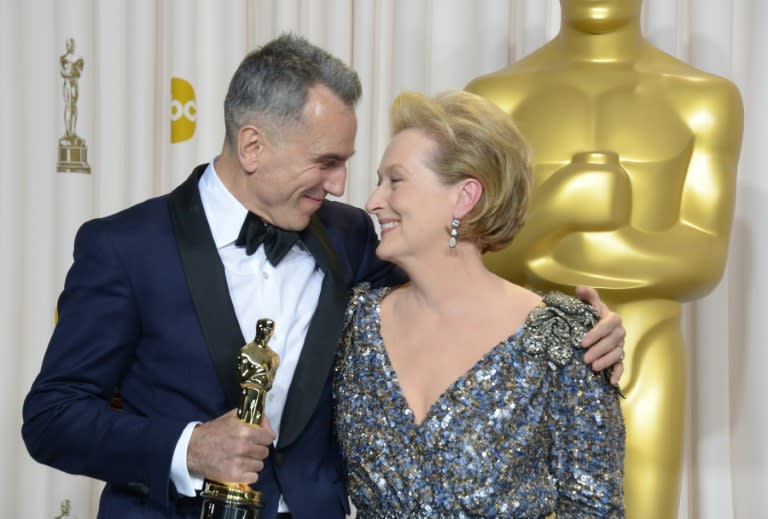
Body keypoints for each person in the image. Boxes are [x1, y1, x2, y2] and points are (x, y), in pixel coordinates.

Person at [23, 34, 625, 519]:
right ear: (252, 146)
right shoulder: (126, 247)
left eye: (354, 166)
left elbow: (459, 280)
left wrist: (581, 330)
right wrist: (188, 448)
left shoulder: (351, 238)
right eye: (326, 162)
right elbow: (52, 416)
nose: (345, 188)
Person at [464, 1, 743, 516]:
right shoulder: (494, 98)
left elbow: (704, 257)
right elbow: (470, 253)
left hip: (644, 353)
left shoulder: (704, 99)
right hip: (520, 355)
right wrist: (558, 207)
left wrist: (567, 251)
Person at [334, 90, 625, 517]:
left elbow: (594, 507)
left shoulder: (563, 335)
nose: (373, 202)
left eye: (395, 180)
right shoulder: (355, 321)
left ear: (465, 196)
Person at [60, 37, 84, 142]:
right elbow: (62, 72)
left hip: (74, 83)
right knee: (68, 106)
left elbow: (79, 73)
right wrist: (71, 71)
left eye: (71, 44)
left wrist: (71, 71)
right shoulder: (63, 59)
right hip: (68, 83)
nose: (70, 46)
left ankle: (73, 132)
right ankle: (67, 132)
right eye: (68, 44)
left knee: (73, 106)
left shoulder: (78, 59)